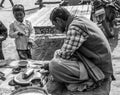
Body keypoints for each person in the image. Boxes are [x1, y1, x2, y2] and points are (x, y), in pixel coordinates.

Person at [42, 7, 114, 95]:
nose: (55, 28)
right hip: (97, 61)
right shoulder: (80, 19)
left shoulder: (75, 27)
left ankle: (89, 81)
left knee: (54, 65)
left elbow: (64, 54)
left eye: (54, 24)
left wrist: (49, 65)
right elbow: (66, 50)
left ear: (58, 20)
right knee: (57, 54)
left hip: (100, 69)